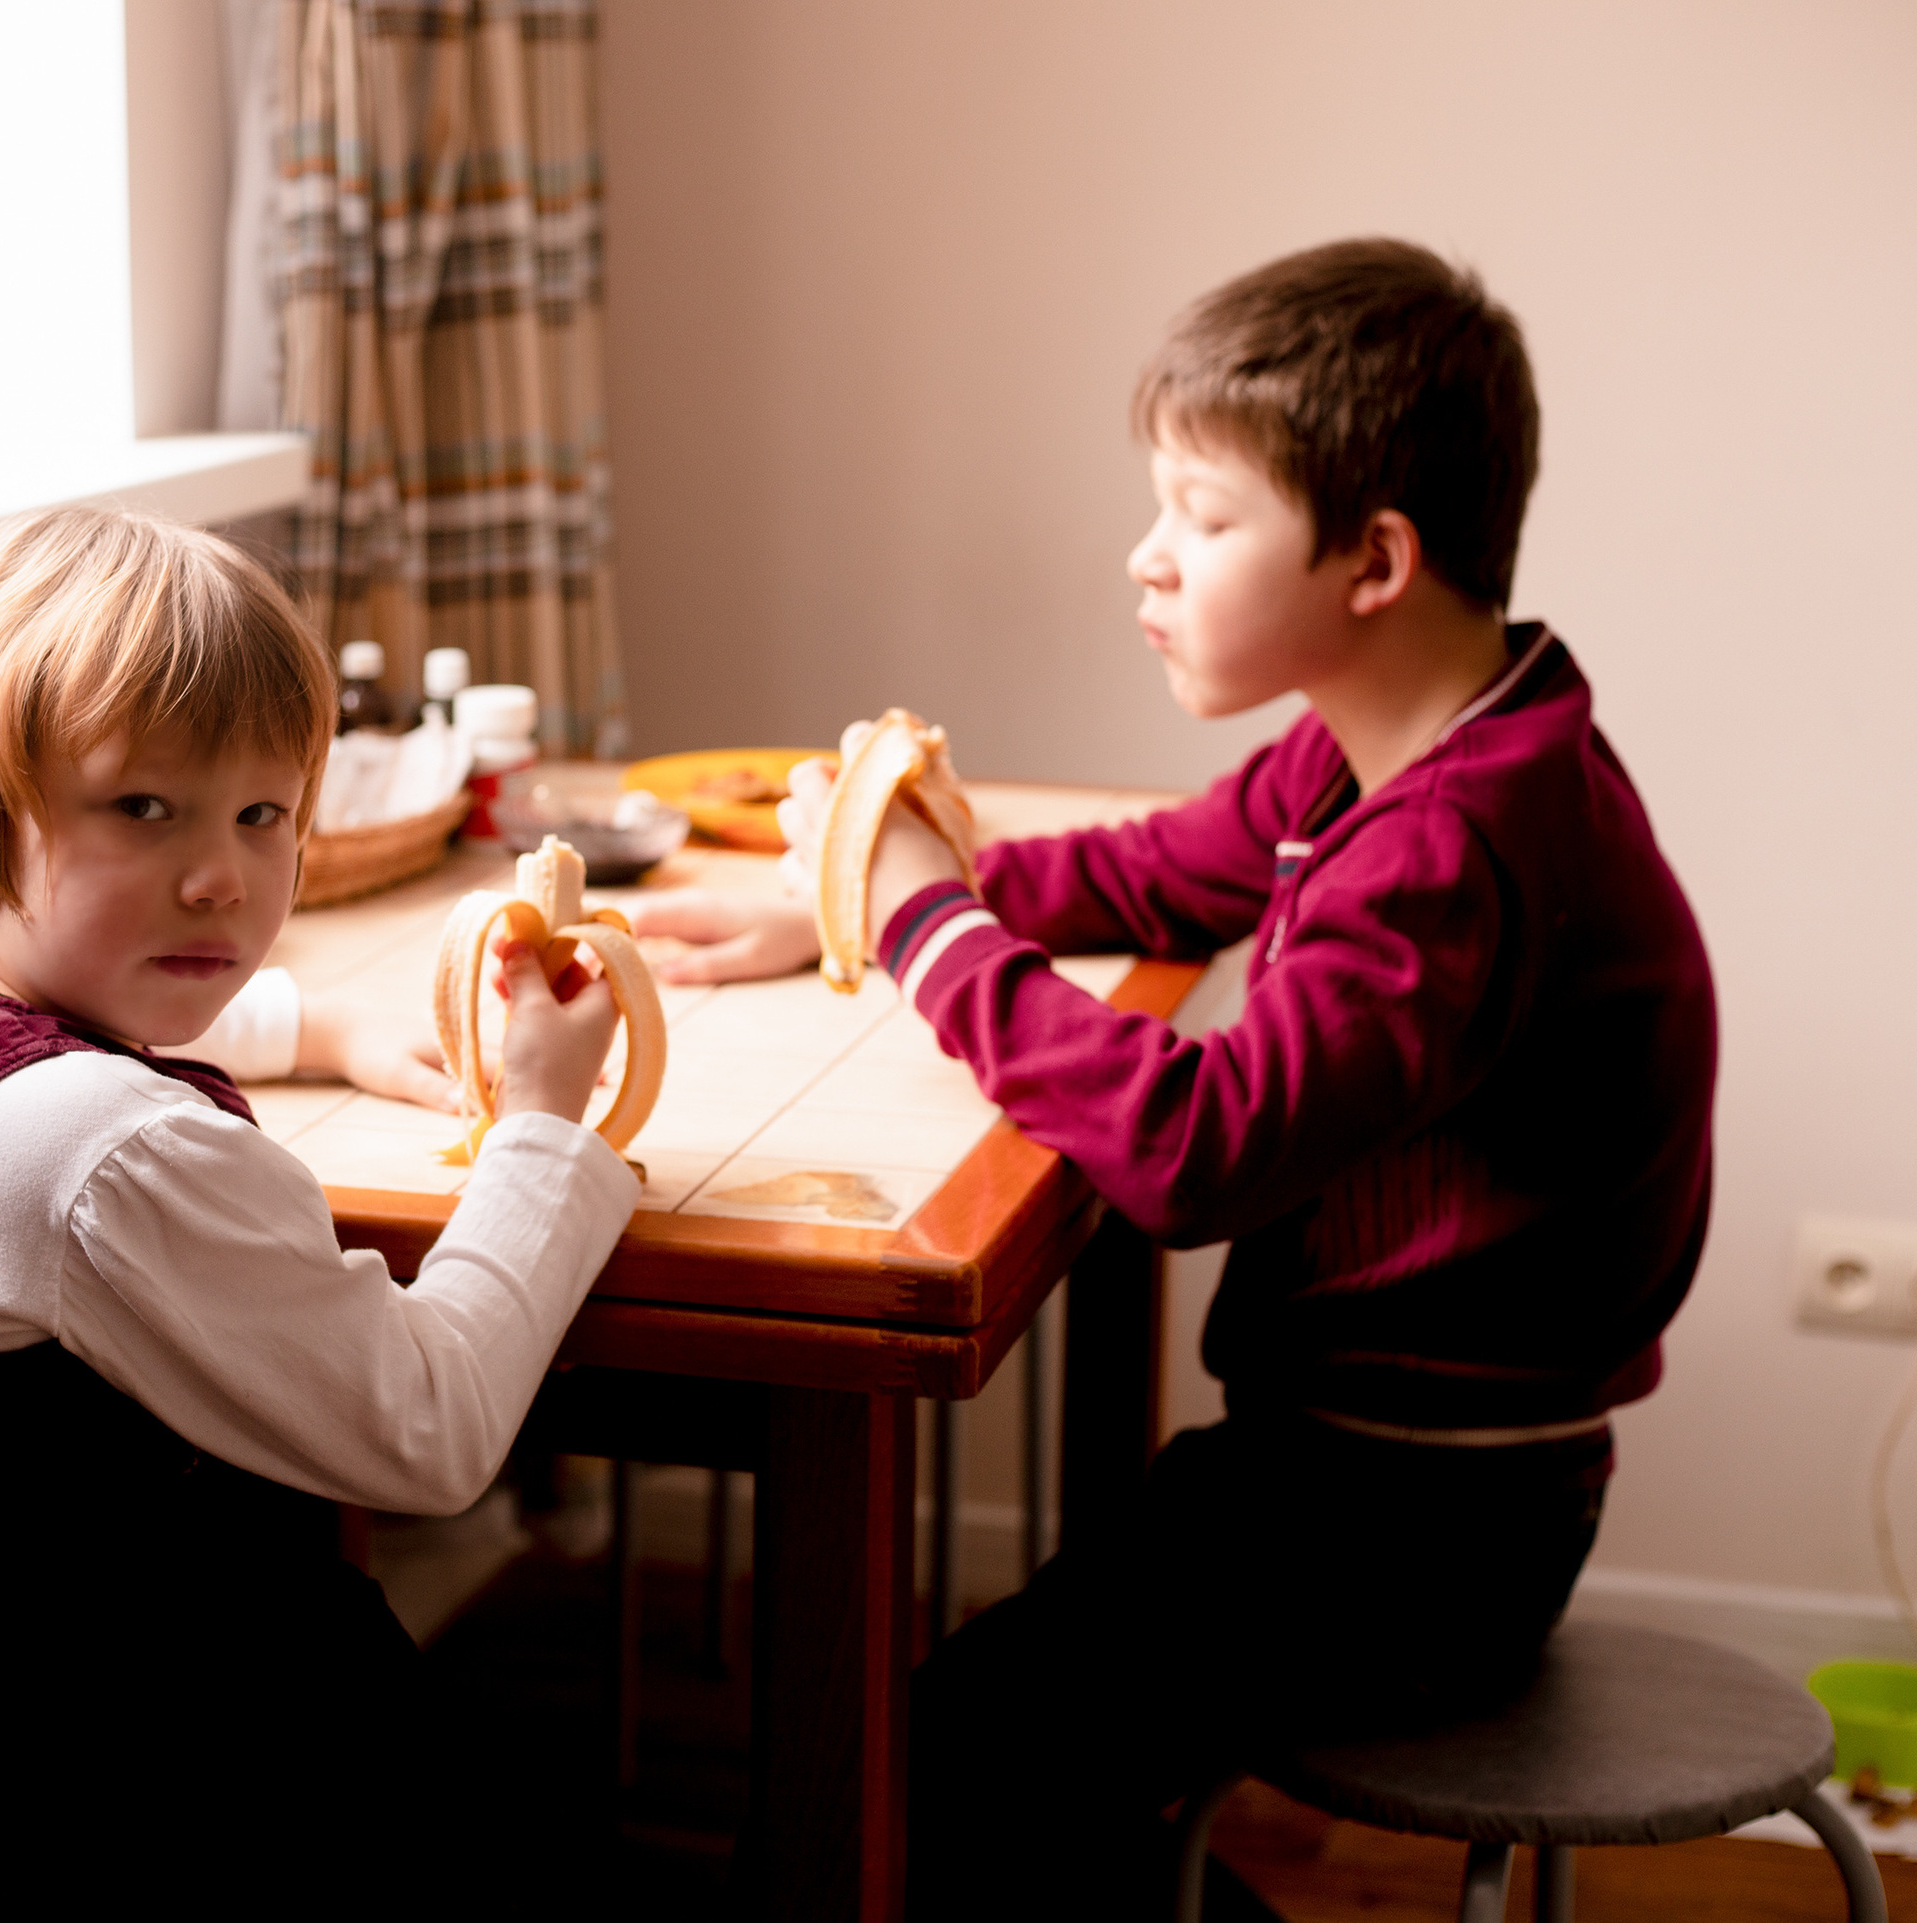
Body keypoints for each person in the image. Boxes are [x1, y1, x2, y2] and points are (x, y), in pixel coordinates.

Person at [628, 238, 1717, 1915]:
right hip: (1377, 1483)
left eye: (1203, 518)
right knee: (984, 1755)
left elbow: (1196, 1144)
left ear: (1375, 558)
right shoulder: (1418, 738)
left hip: (1419, 1528)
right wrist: (829, 906)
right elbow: (1157, 873)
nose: (1146, 557)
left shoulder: (1449, 843)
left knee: (906, 1772)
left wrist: (923, 914)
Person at [0, 505, 636, 1915]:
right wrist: (542, 1126)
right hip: (207, 1828)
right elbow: (427, 1424)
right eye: (143, 807)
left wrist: (320, 1026)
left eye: (261, 814)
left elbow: (80, 1031)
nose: (219, 876)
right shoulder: (101, 1155)